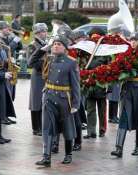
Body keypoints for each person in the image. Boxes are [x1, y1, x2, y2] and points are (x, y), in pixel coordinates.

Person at [35, 34, 80, 166]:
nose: (55, 46)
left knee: (67, 127)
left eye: (59, 44)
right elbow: (32, 62)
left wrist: (76, 103)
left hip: (64, 98)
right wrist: (43, 48)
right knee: (47, 127)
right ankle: (46, 157)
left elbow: (76, 84)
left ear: (65, 48)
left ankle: (68, 154)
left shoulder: (71, 62)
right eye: (54, 44)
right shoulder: (49, 59)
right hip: (49, 96)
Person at [111, 32, 138, 157]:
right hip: (127, 90)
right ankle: (119, 148)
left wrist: (124, 67)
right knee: (123, 118)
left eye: (136, 40)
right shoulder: (126, 54)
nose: (133, 42)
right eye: (132, 40)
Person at [27, 23, 48, 136]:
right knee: (36, 102)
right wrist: (46, 62)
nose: (45, 33)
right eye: (43, 31)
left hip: (46, 75)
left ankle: (43, 124)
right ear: (37, 33)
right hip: (38, 75)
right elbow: (31, 63)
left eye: (45, 31)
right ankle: (36, 128)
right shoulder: (32, 45)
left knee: (44, 101)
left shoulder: (46, 43)